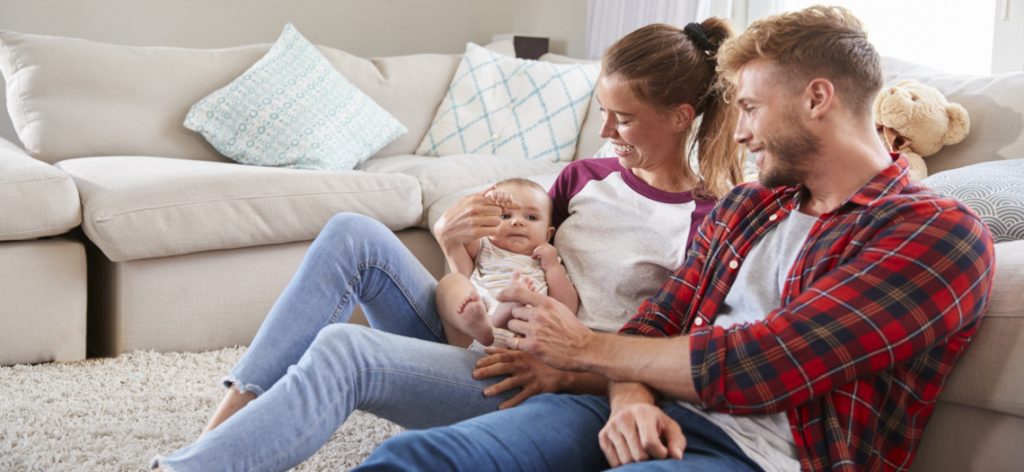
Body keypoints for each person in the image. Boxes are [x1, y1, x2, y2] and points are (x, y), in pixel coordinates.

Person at [356, 6, 996, 472]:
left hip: (763, 456)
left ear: (817, 98)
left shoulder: (937, 234)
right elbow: (659, 318)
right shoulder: (750, 205)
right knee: (416, 457)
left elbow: (766, 365)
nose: (739, 134)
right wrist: (628, 396)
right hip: (636, 408)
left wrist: (583, 349)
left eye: (749, 107)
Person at [152, 19, 742, 471]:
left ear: (681, 117)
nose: (607, 132)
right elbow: (498, 264)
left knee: (345, 349)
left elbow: (663, 352)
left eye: (624, 119)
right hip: (484, 325)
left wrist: (571, 366)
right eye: (604, 114)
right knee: (351, 233)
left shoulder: (706, 221)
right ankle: (216, 440)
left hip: (528, 374)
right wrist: (450, 249)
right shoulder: (583, 178)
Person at [436, 178, 577, 349]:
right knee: (451, 282)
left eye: (531, 217)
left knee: (523, 300)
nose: (516, 222)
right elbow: (464, 233)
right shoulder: (485, 246)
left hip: (524, 332)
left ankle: (509, 307)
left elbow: (567, 306)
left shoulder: (546, 260)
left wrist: (553, 266)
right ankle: (476, 322)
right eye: (505, 216)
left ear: (548, 234)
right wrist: (488, 202)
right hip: (478, 329)